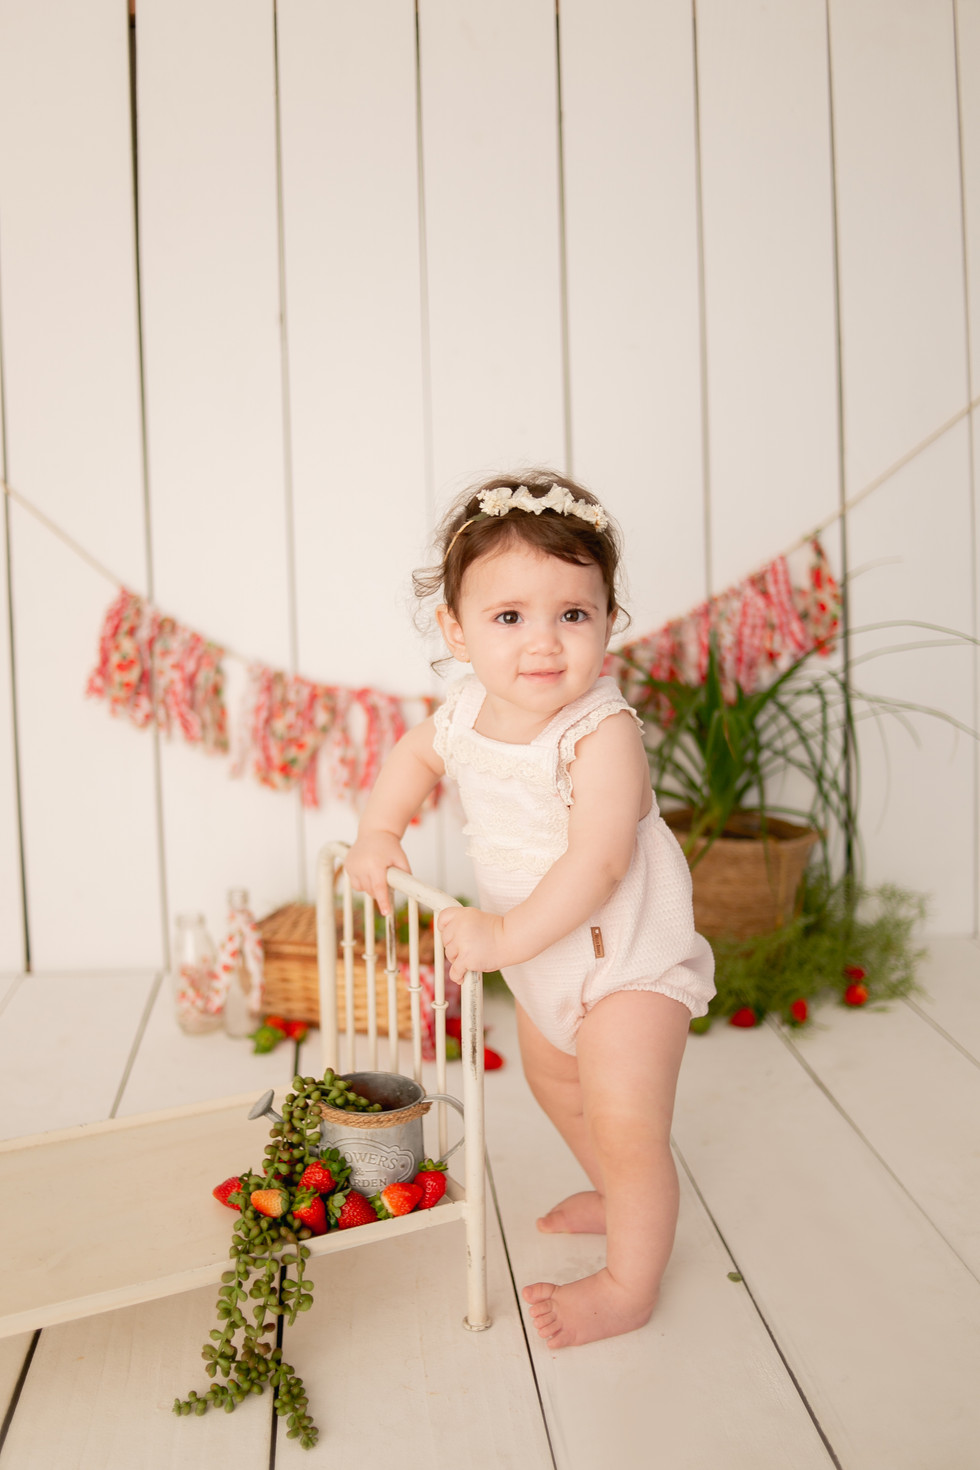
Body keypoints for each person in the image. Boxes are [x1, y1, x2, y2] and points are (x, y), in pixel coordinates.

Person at [344, 471, 715, 1348]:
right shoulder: (465, 712)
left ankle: (629, 1283)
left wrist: (504, 934)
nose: (544, 643)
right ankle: (618, 1196)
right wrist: (378, 831)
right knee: (559, 1087)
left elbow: (601, 860)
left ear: (609, 620)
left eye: (573, 614)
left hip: (627, 961)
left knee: (626, 1121)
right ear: (457, 630)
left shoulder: (600, 732)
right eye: (510, 616)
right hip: (547, 963)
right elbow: (413, 757)